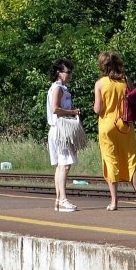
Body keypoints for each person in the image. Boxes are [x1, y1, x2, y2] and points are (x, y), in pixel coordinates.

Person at [92, 50, 136, 211]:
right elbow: (133, 101)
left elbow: (97, 109)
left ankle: (114, 202)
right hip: (125, 125)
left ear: (102, 65)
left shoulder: (100, 83)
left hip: (107, 126)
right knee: (131, 160)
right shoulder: (125, 80)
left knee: (110, 160)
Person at [45, 59, 84, 212]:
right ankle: (62, 200)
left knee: (61, 166)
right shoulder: (58, 88)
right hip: (60, 130)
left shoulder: (58, 88)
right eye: (67, 72)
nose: (70, 75)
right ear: (58, 73)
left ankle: (58, 199)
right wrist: (72, 112)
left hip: (56, 129)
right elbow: (55, 109)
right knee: (65, 165)